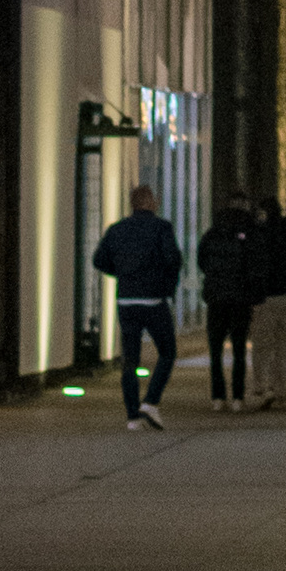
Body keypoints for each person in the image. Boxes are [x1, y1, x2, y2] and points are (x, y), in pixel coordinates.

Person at [94, 177, 184, 428]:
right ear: (150, 202)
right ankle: (151, 401)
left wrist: (122, 273)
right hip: (153, 300)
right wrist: (166, 283)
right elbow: (173, 258)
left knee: (130, 360)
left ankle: (132, 416)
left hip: (126, 300)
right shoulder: (161, 228)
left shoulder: (117, 229)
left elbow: (99, 260)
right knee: (167, 352)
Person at [196, 193, 259, 407]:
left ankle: (218, 396)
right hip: (240, 298)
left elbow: (201, 261)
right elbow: (254, 264)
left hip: (216, 297)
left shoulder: (212, 233)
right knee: (239, 349)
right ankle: (238, 397)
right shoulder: (250, 233)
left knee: (215, 350)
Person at [249, 203, 286, 409]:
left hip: (267, 296)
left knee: (263, 345)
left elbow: (255, 265)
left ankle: (263, 388)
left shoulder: (261, 234)